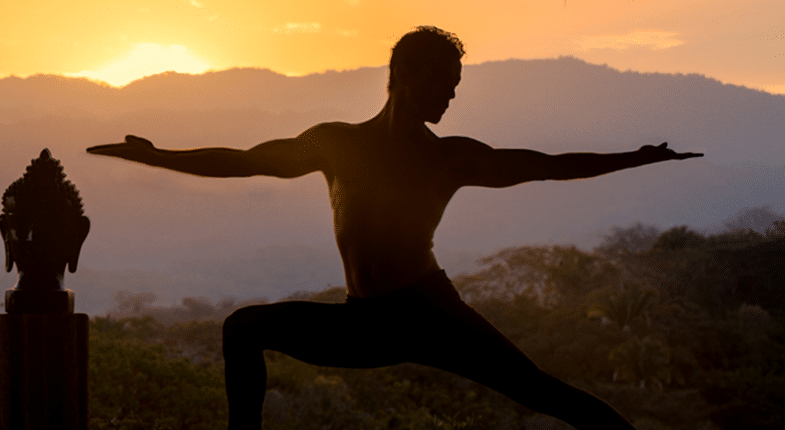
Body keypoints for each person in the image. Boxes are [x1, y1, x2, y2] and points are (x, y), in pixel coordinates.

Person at [86, 25, 701, 430]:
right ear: (403, 75)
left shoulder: (448, 157)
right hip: (364, 321)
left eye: (456, 88)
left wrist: (638, 156)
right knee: (243, 329)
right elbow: (245, 161)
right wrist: (157, 155)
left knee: (543, 393)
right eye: (442, 84)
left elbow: (546, 167)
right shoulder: (335, 144)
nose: (450, 98)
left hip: (429, 313)